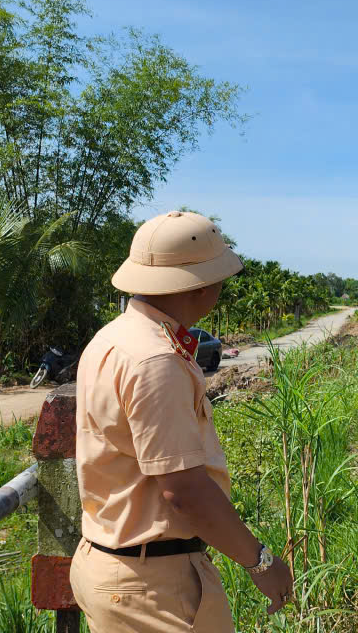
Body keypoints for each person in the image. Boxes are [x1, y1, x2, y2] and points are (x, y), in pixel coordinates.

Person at [70, 210, 293, 631]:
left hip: (112, 565)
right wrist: (262, 564)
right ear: (202, 285)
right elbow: (184, 492)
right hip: (152, 586)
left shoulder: (112, 338)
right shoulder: (157, 361)